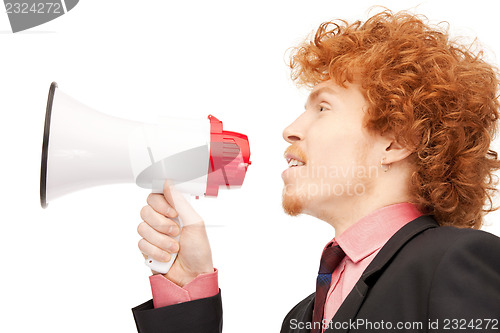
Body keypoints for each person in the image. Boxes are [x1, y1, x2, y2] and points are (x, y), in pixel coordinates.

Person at [131, 9, 500, 333]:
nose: (290, 129)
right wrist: (190, 289)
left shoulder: (454, 260)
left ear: (395, 141)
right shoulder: (300, 319)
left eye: (323, 108)